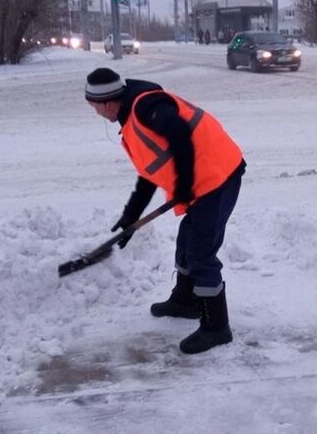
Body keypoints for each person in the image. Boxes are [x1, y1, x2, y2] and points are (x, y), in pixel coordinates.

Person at [85, 67, 246, 354]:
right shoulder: (132, 116)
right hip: (203, 179)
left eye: (94, 106)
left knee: (201, 252)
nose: (95, 112)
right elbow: (150, 172)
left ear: (108, 102)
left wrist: (184, 184)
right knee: (187, 243)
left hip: (218, 176)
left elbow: (180, 134)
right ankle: (186, 301)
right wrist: (131, 216)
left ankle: (216, 326)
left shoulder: (147, 106)